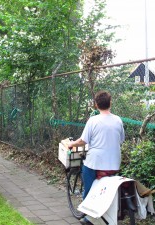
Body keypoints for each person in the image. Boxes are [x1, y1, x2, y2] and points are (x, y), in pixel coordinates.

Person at [68, 90, 125, 225]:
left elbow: (83, 140)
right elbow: (121, 140)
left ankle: (88, 218)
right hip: (114, 163)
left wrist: (72, 144)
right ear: (110, 103)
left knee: (89, 186)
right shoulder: (118, 120)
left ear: (96, 105)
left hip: (96, 162)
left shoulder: (93, 120)